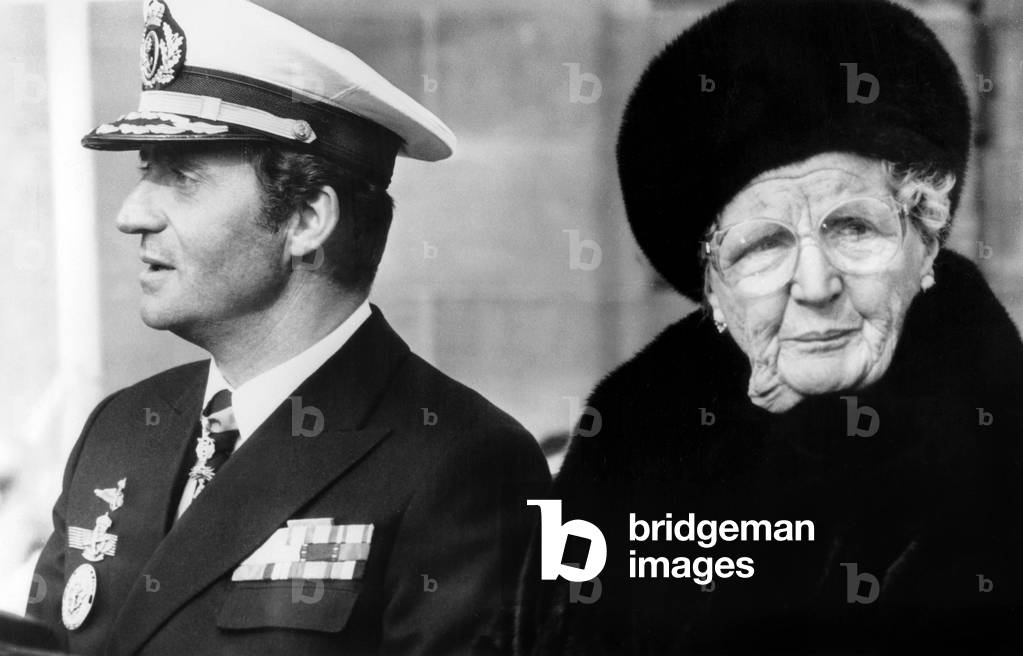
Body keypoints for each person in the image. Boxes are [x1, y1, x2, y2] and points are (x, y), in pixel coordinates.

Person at [26, 1, 550, 654]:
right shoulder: (122, 430)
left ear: (306, 218)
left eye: (182, 176)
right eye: (145, 170)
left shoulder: (462, 463)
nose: (132, 215)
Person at [513, 0, 1023, 654]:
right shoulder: (628, 447)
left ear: (922, 242)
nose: (814, 286)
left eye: (853, 228)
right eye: (761, 246)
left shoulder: (998, 455)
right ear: (714, 293)